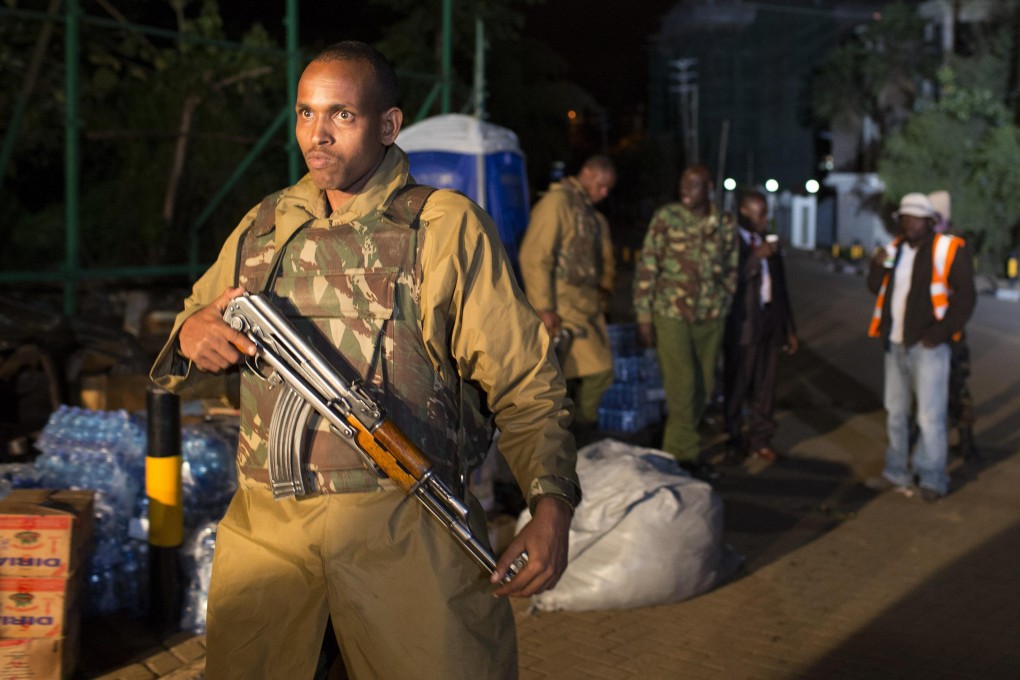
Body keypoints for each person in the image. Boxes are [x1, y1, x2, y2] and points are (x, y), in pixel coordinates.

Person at [149, 41, 579, 679]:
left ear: (388, 124)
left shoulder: (443, 227)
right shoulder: (265, 225)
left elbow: (525, 383)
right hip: (269, 540)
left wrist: (550, 506)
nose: (316, 136)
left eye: (340, 116)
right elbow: (192, 320)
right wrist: (194, 333)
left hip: (405, 530)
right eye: (304, 114)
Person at [865, 192, 976, 502]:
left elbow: (966, 297)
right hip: (895, 343)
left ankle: (932, 477)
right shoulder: (895, 249)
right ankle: (896, 471)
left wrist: (938, 334)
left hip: (928, 345)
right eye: (904, 217)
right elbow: (876, 287)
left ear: (930, 222)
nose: (908, 222)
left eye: (915, 217)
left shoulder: (948, 249)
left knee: (929, 415)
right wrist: (876, 265)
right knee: (896, 413)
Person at [633, 164, 738, 478]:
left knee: (703, 389)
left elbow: (731, 267)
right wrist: (643, 316)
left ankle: (673, 452)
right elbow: (648, 266)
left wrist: (724, 302)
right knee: (683, 386)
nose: (686, 190)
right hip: (672, 314)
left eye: (693, 184)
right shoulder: (667, 217)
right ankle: (683, 459)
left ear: (709, 188)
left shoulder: (724, 223)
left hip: (711, 317)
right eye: (683, 183)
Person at [518, 155, 617, 442]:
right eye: (601, 185)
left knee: (573, 376)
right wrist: (544, 307)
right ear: (586, 173)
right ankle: (576, 434)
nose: (604, 193)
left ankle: (573, 436)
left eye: (608, 188)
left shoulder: (586, 212)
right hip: (562, 305)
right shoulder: (558, 204)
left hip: (583, 306)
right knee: (588, 373)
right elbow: (535, 257)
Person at [722, 190, 797, 462]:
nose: (765, 219)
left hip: (769, 321)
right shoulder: (729, 243)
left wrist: (789, 329)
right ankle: (733, 437)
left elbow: (782, 288)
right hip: (742, 325)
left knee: (766, 386)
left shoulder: (768, 244)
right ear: (743, 213)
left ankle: (760, 439)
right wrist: (755, 258)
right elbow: (727, 282)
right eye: (760, 213)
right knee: (738, 385)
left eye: (766, 213)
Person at [928, 190, 978, 461]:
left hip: (950, 331)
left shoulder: (951, 246)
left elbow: (964, 294)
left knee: (955, 388)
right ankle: (959, 441)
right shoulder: (936, 244)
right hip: (934, 328)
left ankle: (965, 441)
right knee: (949, 389)